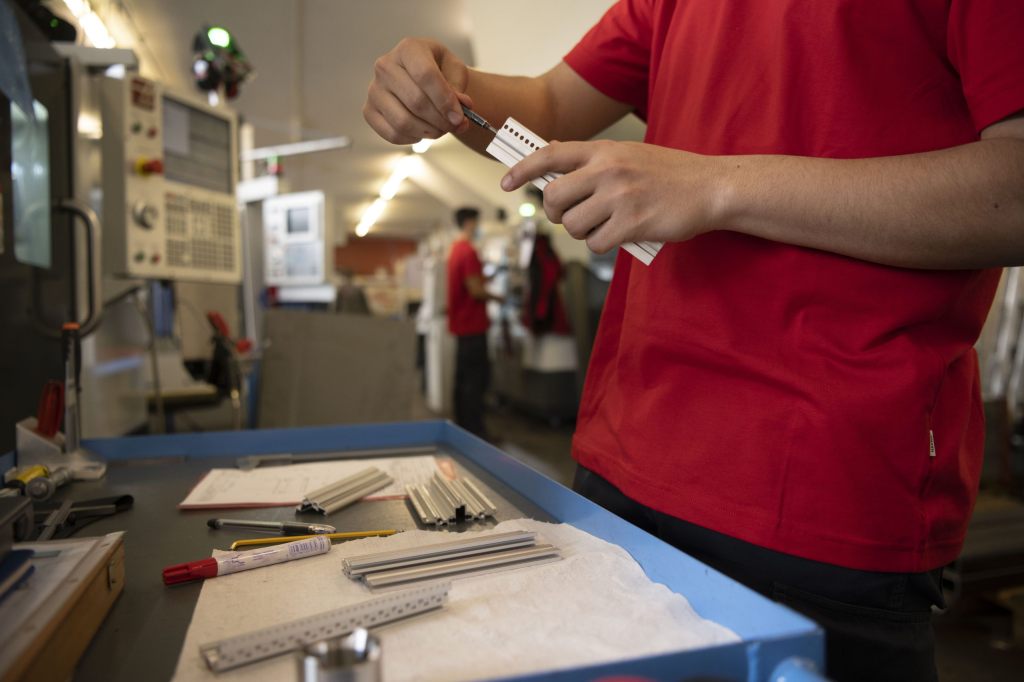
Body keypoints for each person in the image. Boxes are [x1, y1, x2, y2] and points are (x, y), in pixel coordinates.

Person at [363, 3, 1024, 679]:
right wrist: (448, 88)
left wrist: (717, 183)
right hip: (624, 468)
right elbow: (549, 104)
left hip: (817, 494)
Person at [446, 207, 498, 438]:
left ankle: (463, 428)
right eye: (477, 222)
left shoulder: (456, 250)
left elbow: (471, 280)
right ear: (469, 223)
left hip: (461, 326)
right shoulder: (468, 251)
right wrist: (500, 297)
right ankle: (476, 432)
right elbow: (475, 290)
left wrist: (489, 276)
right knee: (475, 383)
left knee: (463, 380)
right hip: (473, 326)